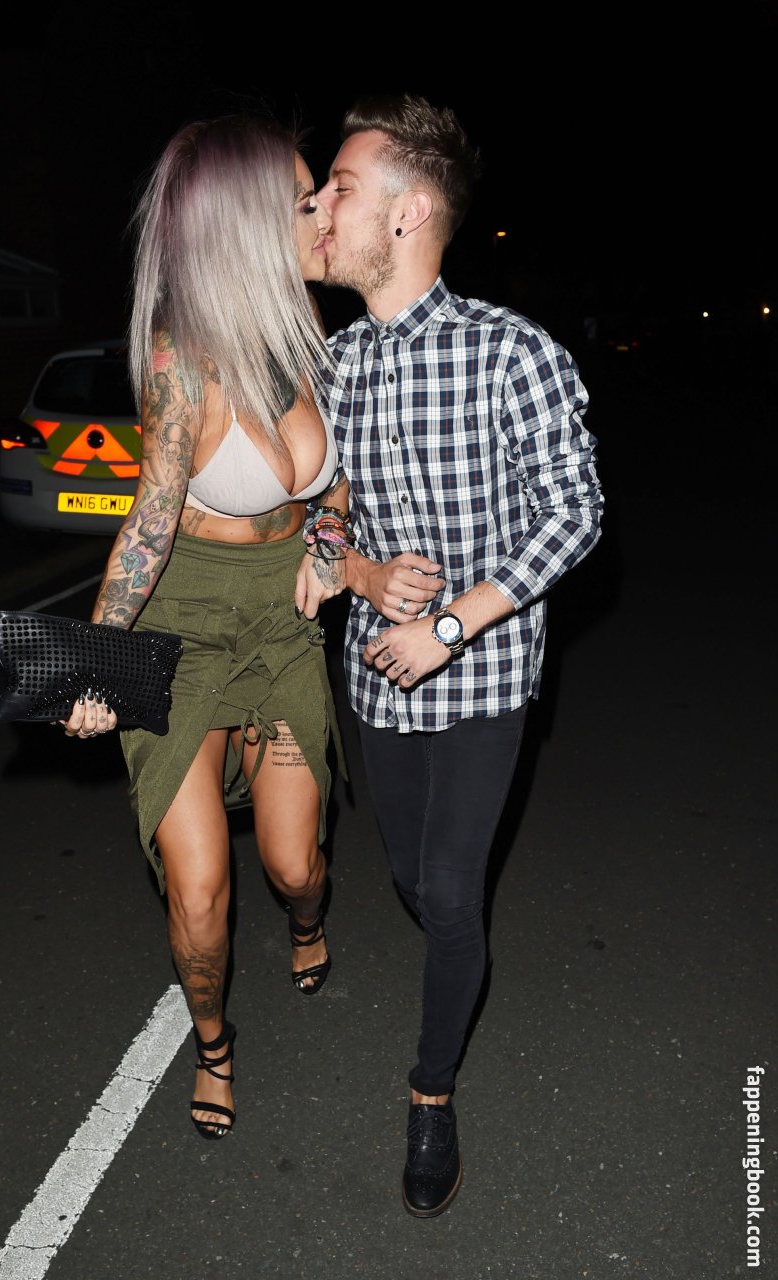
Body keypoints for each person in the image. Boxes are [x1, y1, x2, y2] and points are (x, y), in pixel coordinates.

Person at [296, 94, 604, 1217]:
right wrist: (360, 573)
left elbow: (576, 511)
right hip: (378, 676)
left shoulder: (512, 352)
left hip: (483, 674)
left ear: (410, 211)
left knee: (449, 890)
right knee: (409, 881)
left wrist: (452, 622)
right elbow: (320, 513)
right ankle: (455, 951)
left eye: (339, 188)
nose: (319, 208)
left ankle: (431, 1093)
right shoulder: (334, 363)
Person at [63, 112, 346, 1142]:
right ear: (245, 224)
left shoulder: (312, 333)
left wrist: (330, 538)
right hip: (182, 624)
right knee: (198, 888)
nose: (323, 215)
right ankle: (214, 1042)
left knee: (293, 865)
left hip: (281, 618)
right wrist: (99, 660)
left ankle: (308, 921)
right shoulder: (180, 358)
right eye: (304, 202)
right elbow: (149, 521)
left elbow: (337, 484)